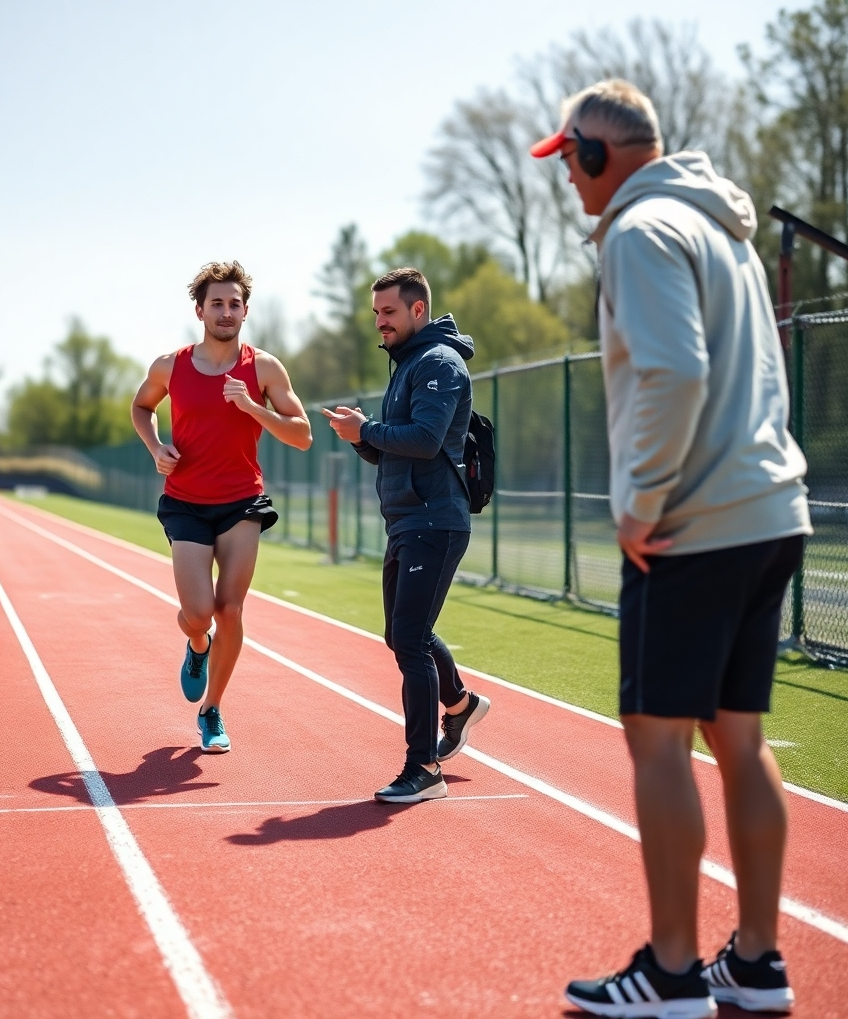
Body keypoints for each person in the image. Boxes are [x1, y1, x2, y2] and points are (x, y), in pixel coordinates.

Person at [531, 80, 810, 1018]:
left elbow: (676, 372)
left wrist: (642, 502)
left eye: (569, 158)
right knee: (739, 739)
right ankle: (759, 963)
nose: (566, 175)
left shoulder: (644, 232)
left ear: (599, 154)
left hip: (694, 523)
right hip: (771, 510)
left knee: (656, 740)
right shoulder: (717, 227)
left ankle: (674, 971)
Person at [132, 261, 312, 753]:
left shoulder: (264, 368)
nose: (226, 311)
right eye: (217, 303)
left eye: (235, 304)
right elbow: (141, 407)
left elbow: (303, 436)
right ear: (200, 310)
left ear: (245, 311)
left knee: (230, 609)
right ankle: (197, 645)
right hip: (186, 501)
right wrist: (156, 448)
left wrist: (254, 408)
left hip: (241, 501)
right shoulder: (170, 366)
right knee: (198, 612)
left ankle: (211, 709)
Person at [326, 267, 490, 804]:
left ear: (418, 310)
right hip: (405, 520)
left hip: (434, 521)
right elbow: (396, 445)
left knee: (411, 640)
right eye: (376, 313)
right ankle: (460, 705)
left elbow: (423, 439)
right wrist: (360, 436)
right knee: (402, 636)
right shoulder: (408, 365)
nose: (381, 322)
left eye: (389, 312)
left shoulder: (439, 362)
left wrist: (367, 430)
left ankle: (424, 769)